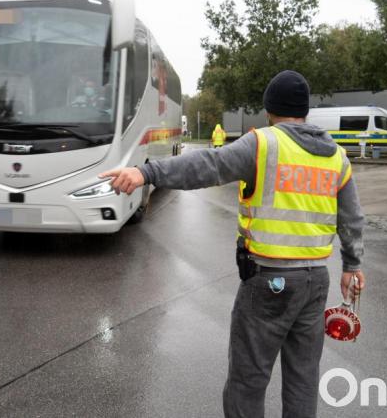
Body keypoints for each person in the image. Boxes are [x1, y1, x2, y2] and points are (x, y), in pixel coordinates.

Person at [99, 70, 365, 418]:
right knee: (303, 379)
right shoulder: (336, 157)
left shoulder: (264, 144)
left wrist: (147, 173)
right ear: (305, 111)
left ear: (269, 109)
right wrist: (353, 266)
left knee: (248, 380)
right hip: (316, 282)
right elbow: (352, 218)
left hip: (269, 282)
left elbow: (208, 164)